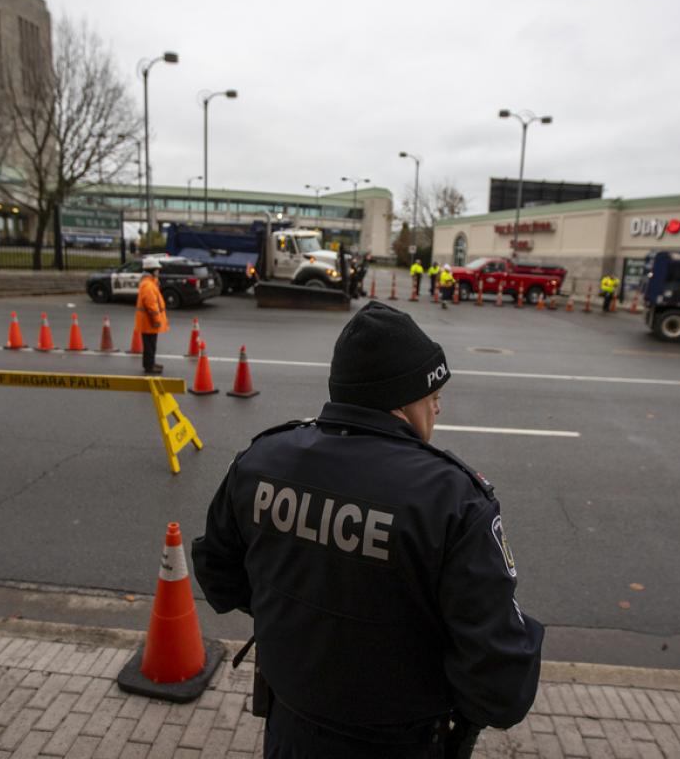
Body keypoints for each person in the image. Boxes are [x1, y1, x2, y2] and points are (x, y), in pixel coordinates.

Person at [193, 301, 544, 758]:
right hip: (402, 742)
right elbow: (501, 686)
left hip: (290, 730)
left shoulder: (261, 462)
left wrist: (299, 617)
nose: (438, 406)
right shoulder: (452, 500)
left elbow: (218, 577)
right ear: (399, 399)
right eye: (431, 394)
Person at [135, 256, 169, 374]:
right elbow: (151, 305)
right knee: (149, 346)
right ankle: (149, 366)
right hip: (149, 321)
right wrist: (156, 320)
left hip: (147, 321)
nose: (158, 271)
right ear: (153, 270)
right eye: (157, 269)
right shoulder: (148, 285)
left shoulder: (149, 283)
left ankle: (150, 364)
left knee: (150, 345)